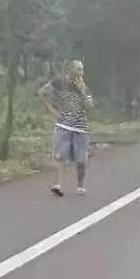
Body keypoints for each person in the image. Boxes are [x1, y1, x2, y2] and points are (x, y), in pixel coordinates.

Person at [38, 60, 93, 197]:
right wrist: (51, 110)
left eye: (82, 70)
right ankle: (58, 185)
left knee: (81, 160)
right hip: (63, 125)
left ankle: (80, 185)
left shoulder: (84, 86)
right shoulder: (59, 82)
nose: (81, 73)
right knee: (60, 157)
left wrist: (82, 91)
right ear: (70, 70)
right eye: (79, 69)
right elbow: (42, 92)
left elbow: (90, 108)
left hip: (80, 127)